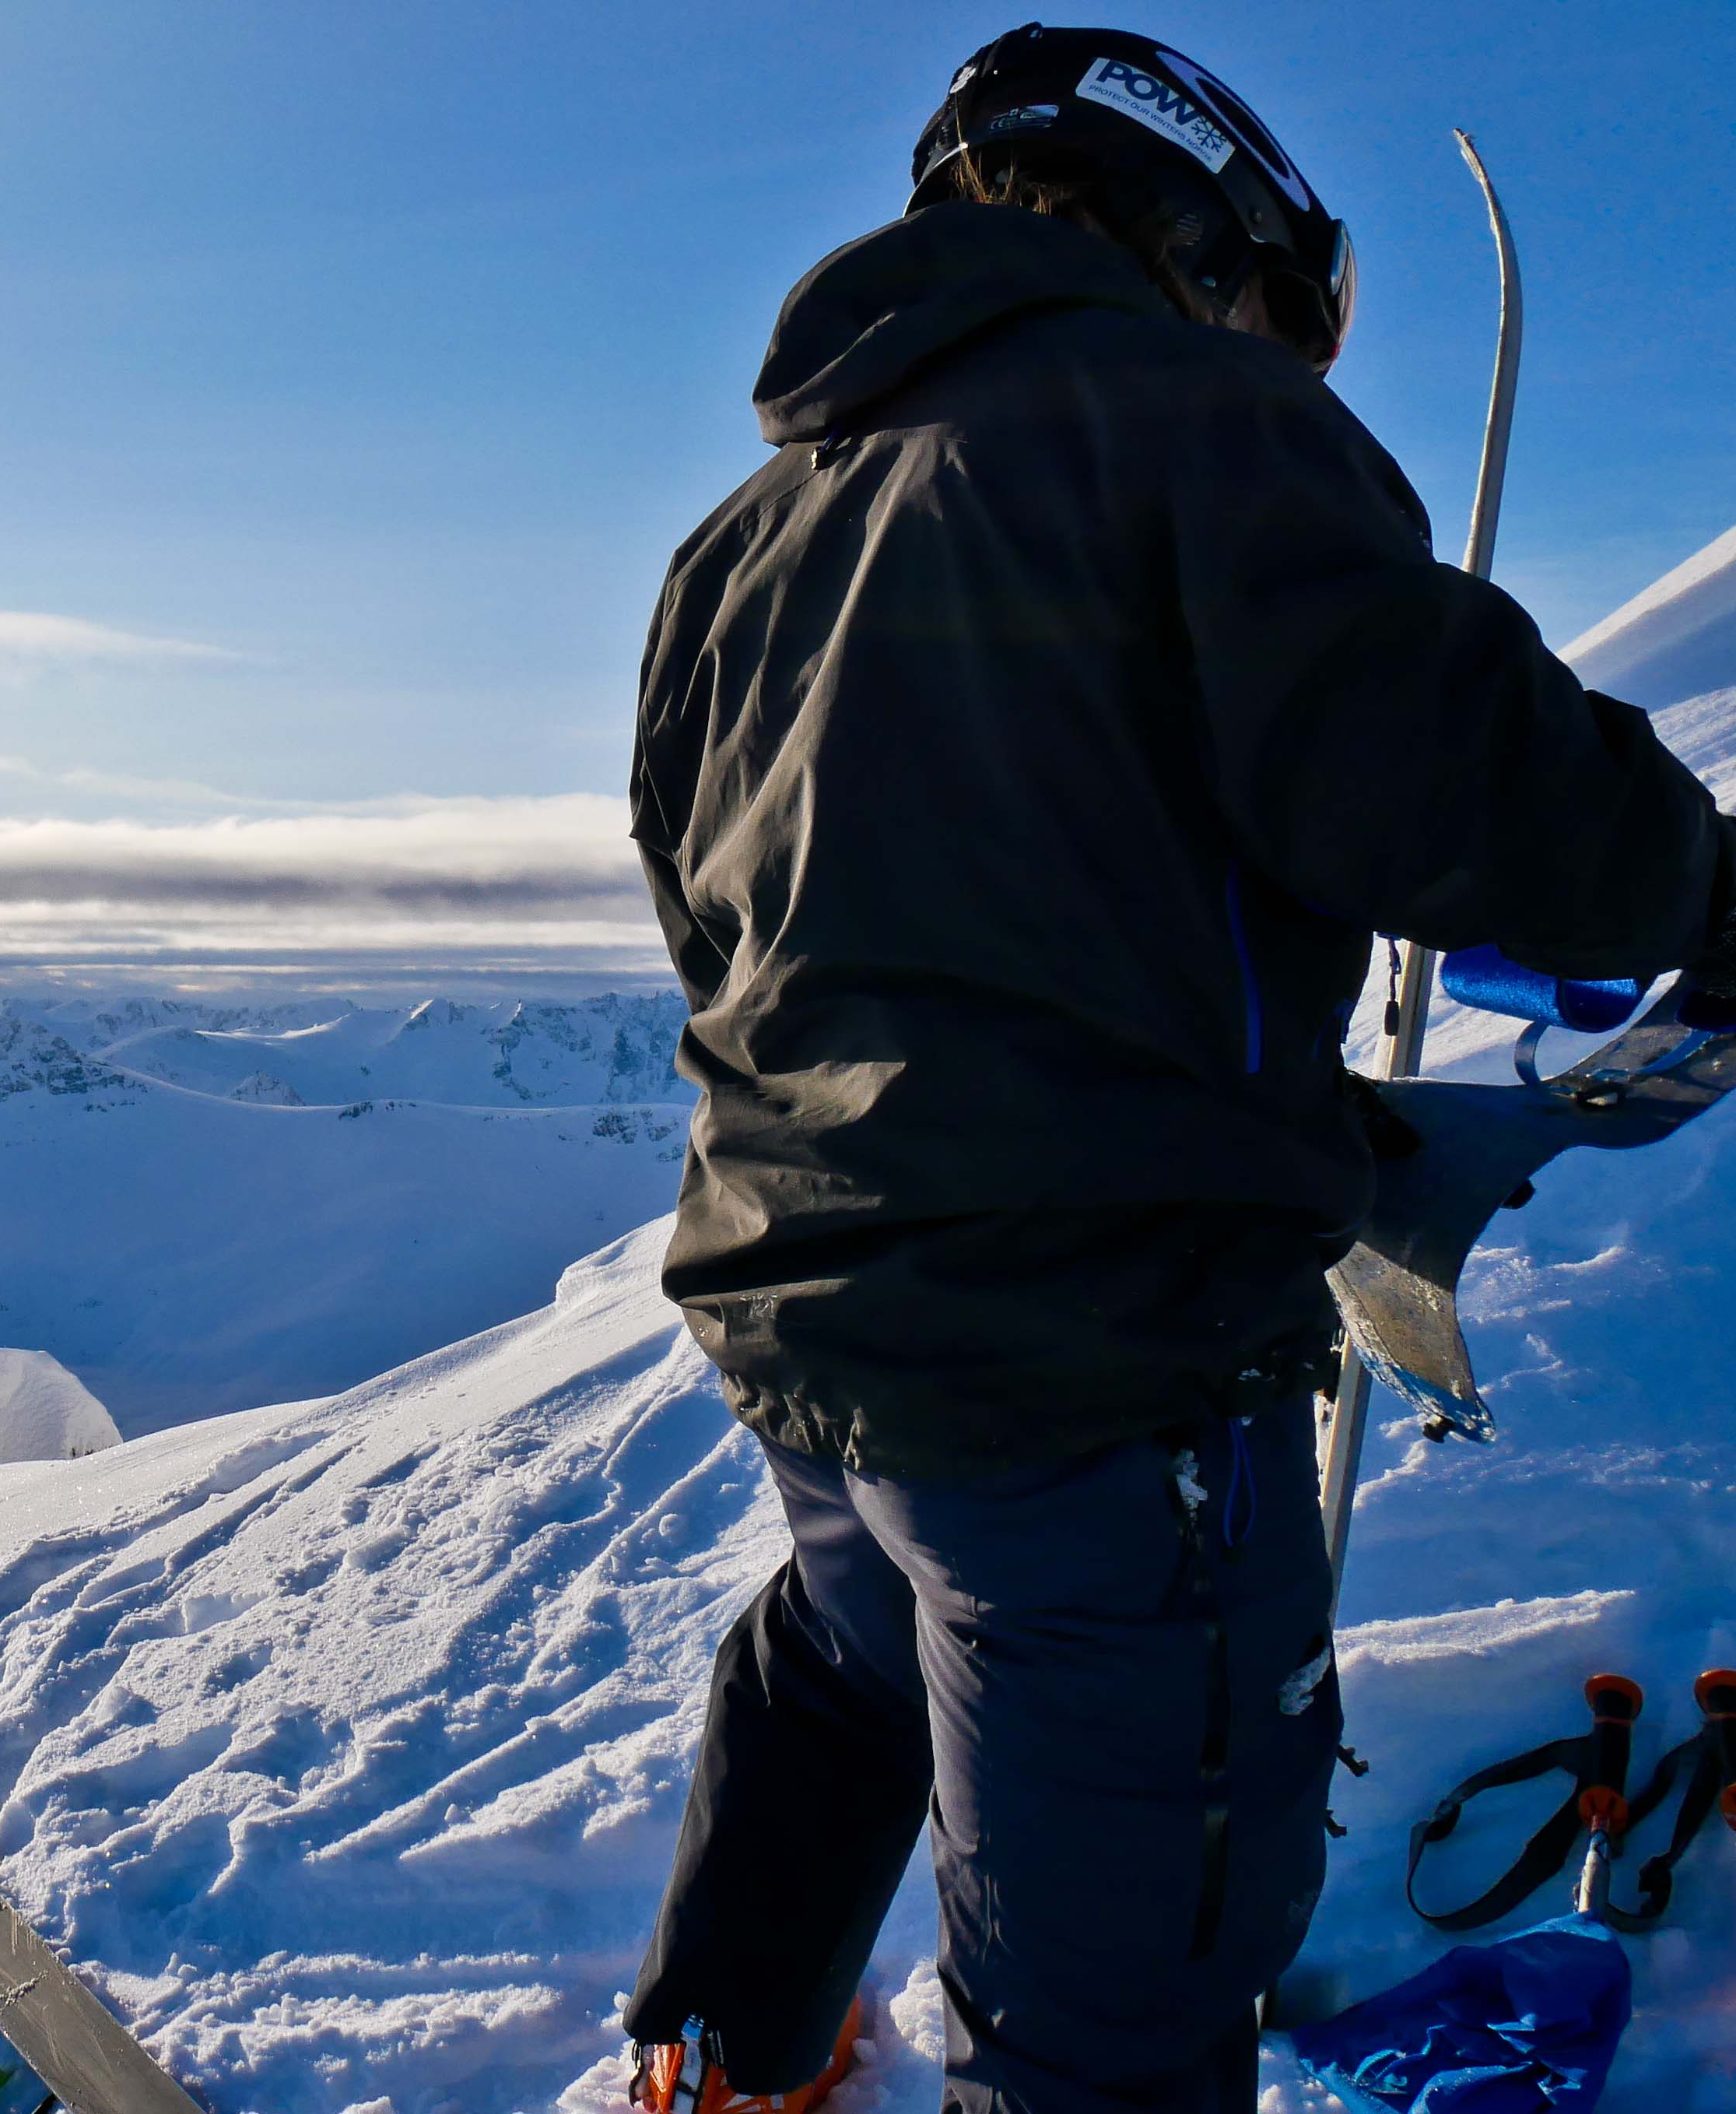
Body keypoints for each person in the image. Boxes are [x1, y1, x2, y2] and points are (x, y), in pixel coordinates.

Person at [616, 23, 1736, 2114]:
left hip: (807, 1322)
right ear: (1204, 238)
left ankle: (721, 2062)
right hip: (1093, 1374)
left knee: (852, 1658)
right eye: (1273, 316)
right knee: (1122, 1947)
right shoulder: (1193, 425)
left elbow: (711, 913)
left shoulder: (742, 540)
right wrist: (1703, 881)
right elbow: (1442, 768)